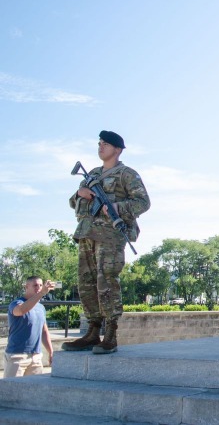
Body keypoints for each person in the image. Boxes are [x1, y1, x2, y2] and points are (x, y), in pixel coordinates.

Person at [62, 130, 150, 354]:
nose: (100, 147)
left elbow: (143, 202)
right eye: (99, 143)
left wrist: (114, 207)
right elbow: (74, 203)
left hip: (110, 237)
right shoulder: (92, 174)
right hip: (86, 234)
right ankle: (92, 330)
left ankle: (110, 333)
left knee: (107, 282)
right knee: (86, 283)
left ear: (117, 150)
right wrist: (80, 194)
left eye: (106, 144)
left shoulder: (126, 174)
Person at [4, 276, 55, 377]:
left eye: (41, 285)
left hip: (36, 357)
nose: (39, 288)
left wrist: (51, 352)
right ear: (26, 287)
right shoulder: (16, 303)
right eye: (35, 285)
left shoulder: (41, 307)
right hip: (17, 356)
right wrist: (41, 294)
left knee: (34, 390)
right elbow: (21, 310)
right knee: (11, 390)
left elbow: (44, 331)